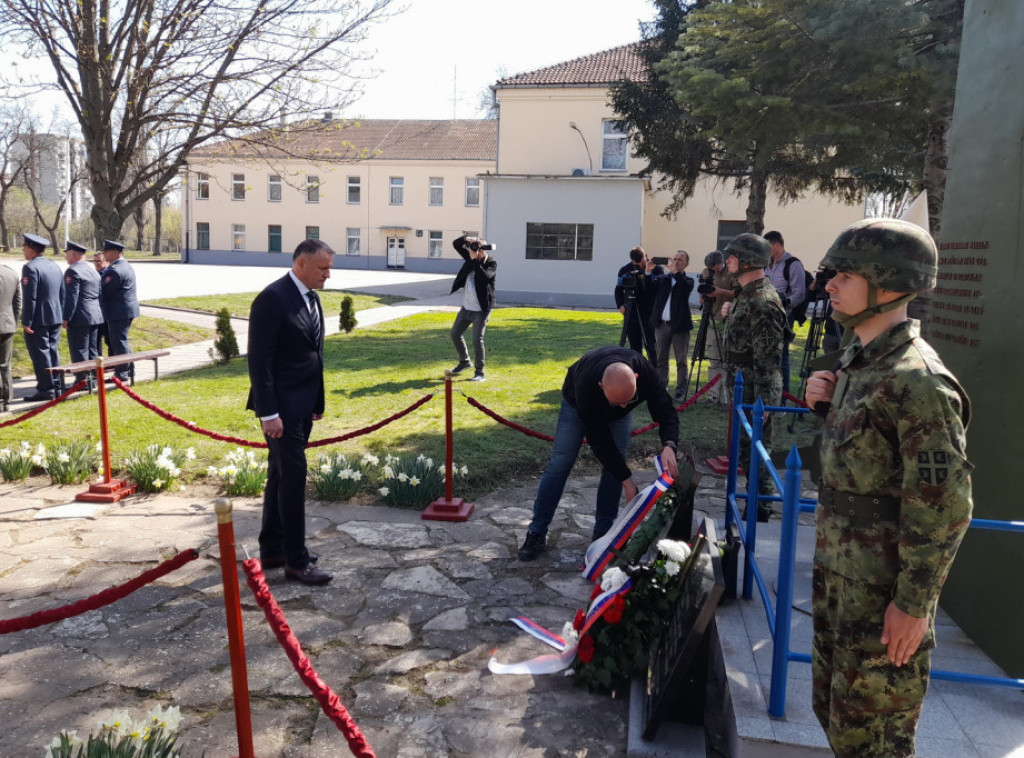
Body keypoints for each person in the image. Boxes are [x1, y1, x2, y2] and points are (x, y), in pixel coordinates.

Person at [804, 219, 972, 758]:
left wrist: (913, 604)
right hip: (840, 579)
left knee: (874, 740)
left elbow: (946, 508)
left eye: (845, 275)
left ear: (891, 285)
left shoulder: (917, 380)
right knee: (838, 723)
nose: (829, 283)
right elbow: (862, 464)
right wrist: (825, 406)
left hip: (881, 597)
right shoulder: (858, 361)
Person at [517, 346, 680, 561]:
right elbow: (599, 440)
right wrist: (628, 481)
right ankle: (536, 532)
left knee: (617, 462)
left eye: (628, 400)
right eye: (617, 401)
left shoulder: (646, 373)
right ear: (601, 386)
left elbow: (664, 408)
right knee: (561, 461)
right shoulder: (587, 385)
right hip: (576, 405)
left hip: (611, 394)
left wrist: (669, 444)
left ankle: (604, 532)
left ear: (636, 378)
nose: (623, 406)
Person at [247, 238, 335, 586]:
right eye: (322, 268)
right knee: (294, 478)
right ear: (300, 263)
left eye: (329, 268)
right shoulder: (272, 298)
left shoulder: (310, 297)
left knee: (281, 475)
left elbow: (311, 353)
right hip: (280, 409)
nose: (328, 275)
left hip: (301, 404)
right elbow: (259, 361)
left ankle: (272, 548)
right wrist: (268, 414)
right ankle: (296, 562)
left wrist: (316, 402)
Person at [721, 233, 786, 521]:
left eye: (732, 256)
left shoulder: (762, 300)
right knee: (746, 455)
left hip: (754, 389)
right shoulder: (745, 294)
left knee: (756, 456)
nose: (727, 260)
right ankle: (752, 510)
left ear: (748, 261)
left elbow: (768, 359)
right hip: (741, 386)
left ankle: (759, 514)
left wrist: (765, 402)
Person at [20, 233, 65, 401]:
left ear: (31, 250)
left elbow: (30, 298)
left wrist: (27, 321)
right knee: (52, 351)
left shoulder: (30, 268)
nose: (23, 251)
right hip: (55, 316)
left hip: (39, 318)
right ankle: (57, 384)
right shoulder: (54, 265)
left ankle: (46, 389)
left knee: (41, 354)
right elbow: (62, 293)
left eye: (24, 248)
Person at [448, 234, 497, 382]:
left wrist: (475, 259)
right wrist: (468, 240)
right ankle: (464, 362)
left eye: (479, 248)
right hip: (467, 307)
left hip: (481, 309)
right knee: (455, 334)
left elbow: (484, 277)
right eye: (475, 247)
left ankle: (480, 373)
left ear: (485, 249)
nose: (476, 250)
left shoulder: (491, 263)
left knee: (477, 339)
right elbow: (456, 243)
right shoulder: (470, 256)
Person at [649, 250, 695, 401]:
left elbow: (683, 288)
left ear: (686, 264)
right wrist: (648, 271)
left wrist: (676, 274)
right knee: (661, 359)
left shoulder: (688, 281)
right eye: (674, 259)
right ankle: (662, 389)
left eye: (680, 260)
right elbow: (648, 288)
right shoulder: (663, 279)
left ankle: (681, 391)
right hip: (661, 325)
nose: (676, 262)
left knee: (681, 360)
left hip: (679, 327)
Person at [764, 231, 806, 394]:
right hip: (765, 315)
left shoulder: (793, 264)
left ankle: (782, 399)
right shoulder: (766, 264)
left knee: (781, 358)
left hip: (783, 318)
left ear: (777, 245)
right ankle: (768, 393)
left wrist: (784, 302)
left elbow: (799, 293)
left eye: (767, 246)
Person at [61, 241, 104, 388]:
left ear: (73, 254)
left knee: (79, 349)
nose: (66, 257)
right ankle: (92, 379)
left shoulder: (73, 271)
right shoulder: (93, 270)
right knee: (92, 349)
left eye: (67, 254)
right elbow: (99, 294)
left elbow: (71, 298)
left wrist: (66, 317)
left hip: (80, 317)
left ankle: (81, 380)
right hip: (95, 315)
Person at [98, 240, 140, 382]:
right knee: (122, 340)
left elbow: (104, 291)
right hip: (124, 310)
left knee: (119, 341)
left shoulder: (116, 270)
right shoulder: (123, 266)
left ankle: (121, 373)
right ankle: (128, 369)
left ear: (116, 252)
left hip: (118, 311)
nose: (104, 254)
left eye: (107, 251)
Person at [700, 251, 737, 405]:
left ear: (721, 263)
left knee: (728, 361)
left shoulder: (732, 272)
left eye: (715, 267)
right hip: (712, 318)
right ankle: (713, 396)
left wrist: (720, 291)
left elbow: (739, 293)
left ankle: (727, 397)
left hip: (729, 320)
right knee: (714, 359)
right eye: (711, 268)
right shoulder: (706, 272)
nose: (713, 270)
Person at [614, 246, 659, 361]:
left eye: (641, 262)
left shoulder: (656, 269)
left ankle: (653, 371)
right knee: (634, 346)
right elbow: (618, 289)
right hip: (631, 311)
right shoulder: (625, 270)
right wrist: (620, 305)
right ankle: (637, 370)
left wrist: (646, 275)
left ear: (646, 256)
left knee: (651, 345)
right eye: (636, 263)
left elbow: (657, 289)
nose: (639, 266)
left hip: (649, 312)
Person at [0, 262, 20, 411]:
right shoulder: (11, 273)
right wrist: (14, 322)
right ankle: (6, 400)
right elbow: (17, 303)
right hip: (8, 323)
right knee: (5, 365)